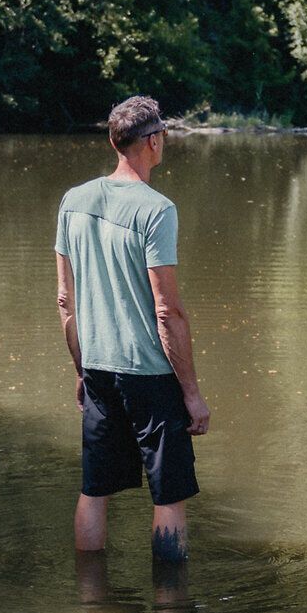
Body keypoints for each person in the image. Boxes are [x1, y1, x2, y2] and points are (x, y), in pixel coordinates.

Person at [54, 96, 211, 563]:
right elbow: (168, 312)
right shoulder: (156, 209)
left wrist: (82, 371)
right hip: (150, 375)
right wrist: (192, 393)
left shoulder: (72, 201)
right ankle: (171, 607)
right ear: (154, 141)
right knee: (168, 496)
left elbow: (66, 302)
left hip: (98, 367)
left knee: (94, 489)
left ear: (113, 140)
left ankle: (93, 605)